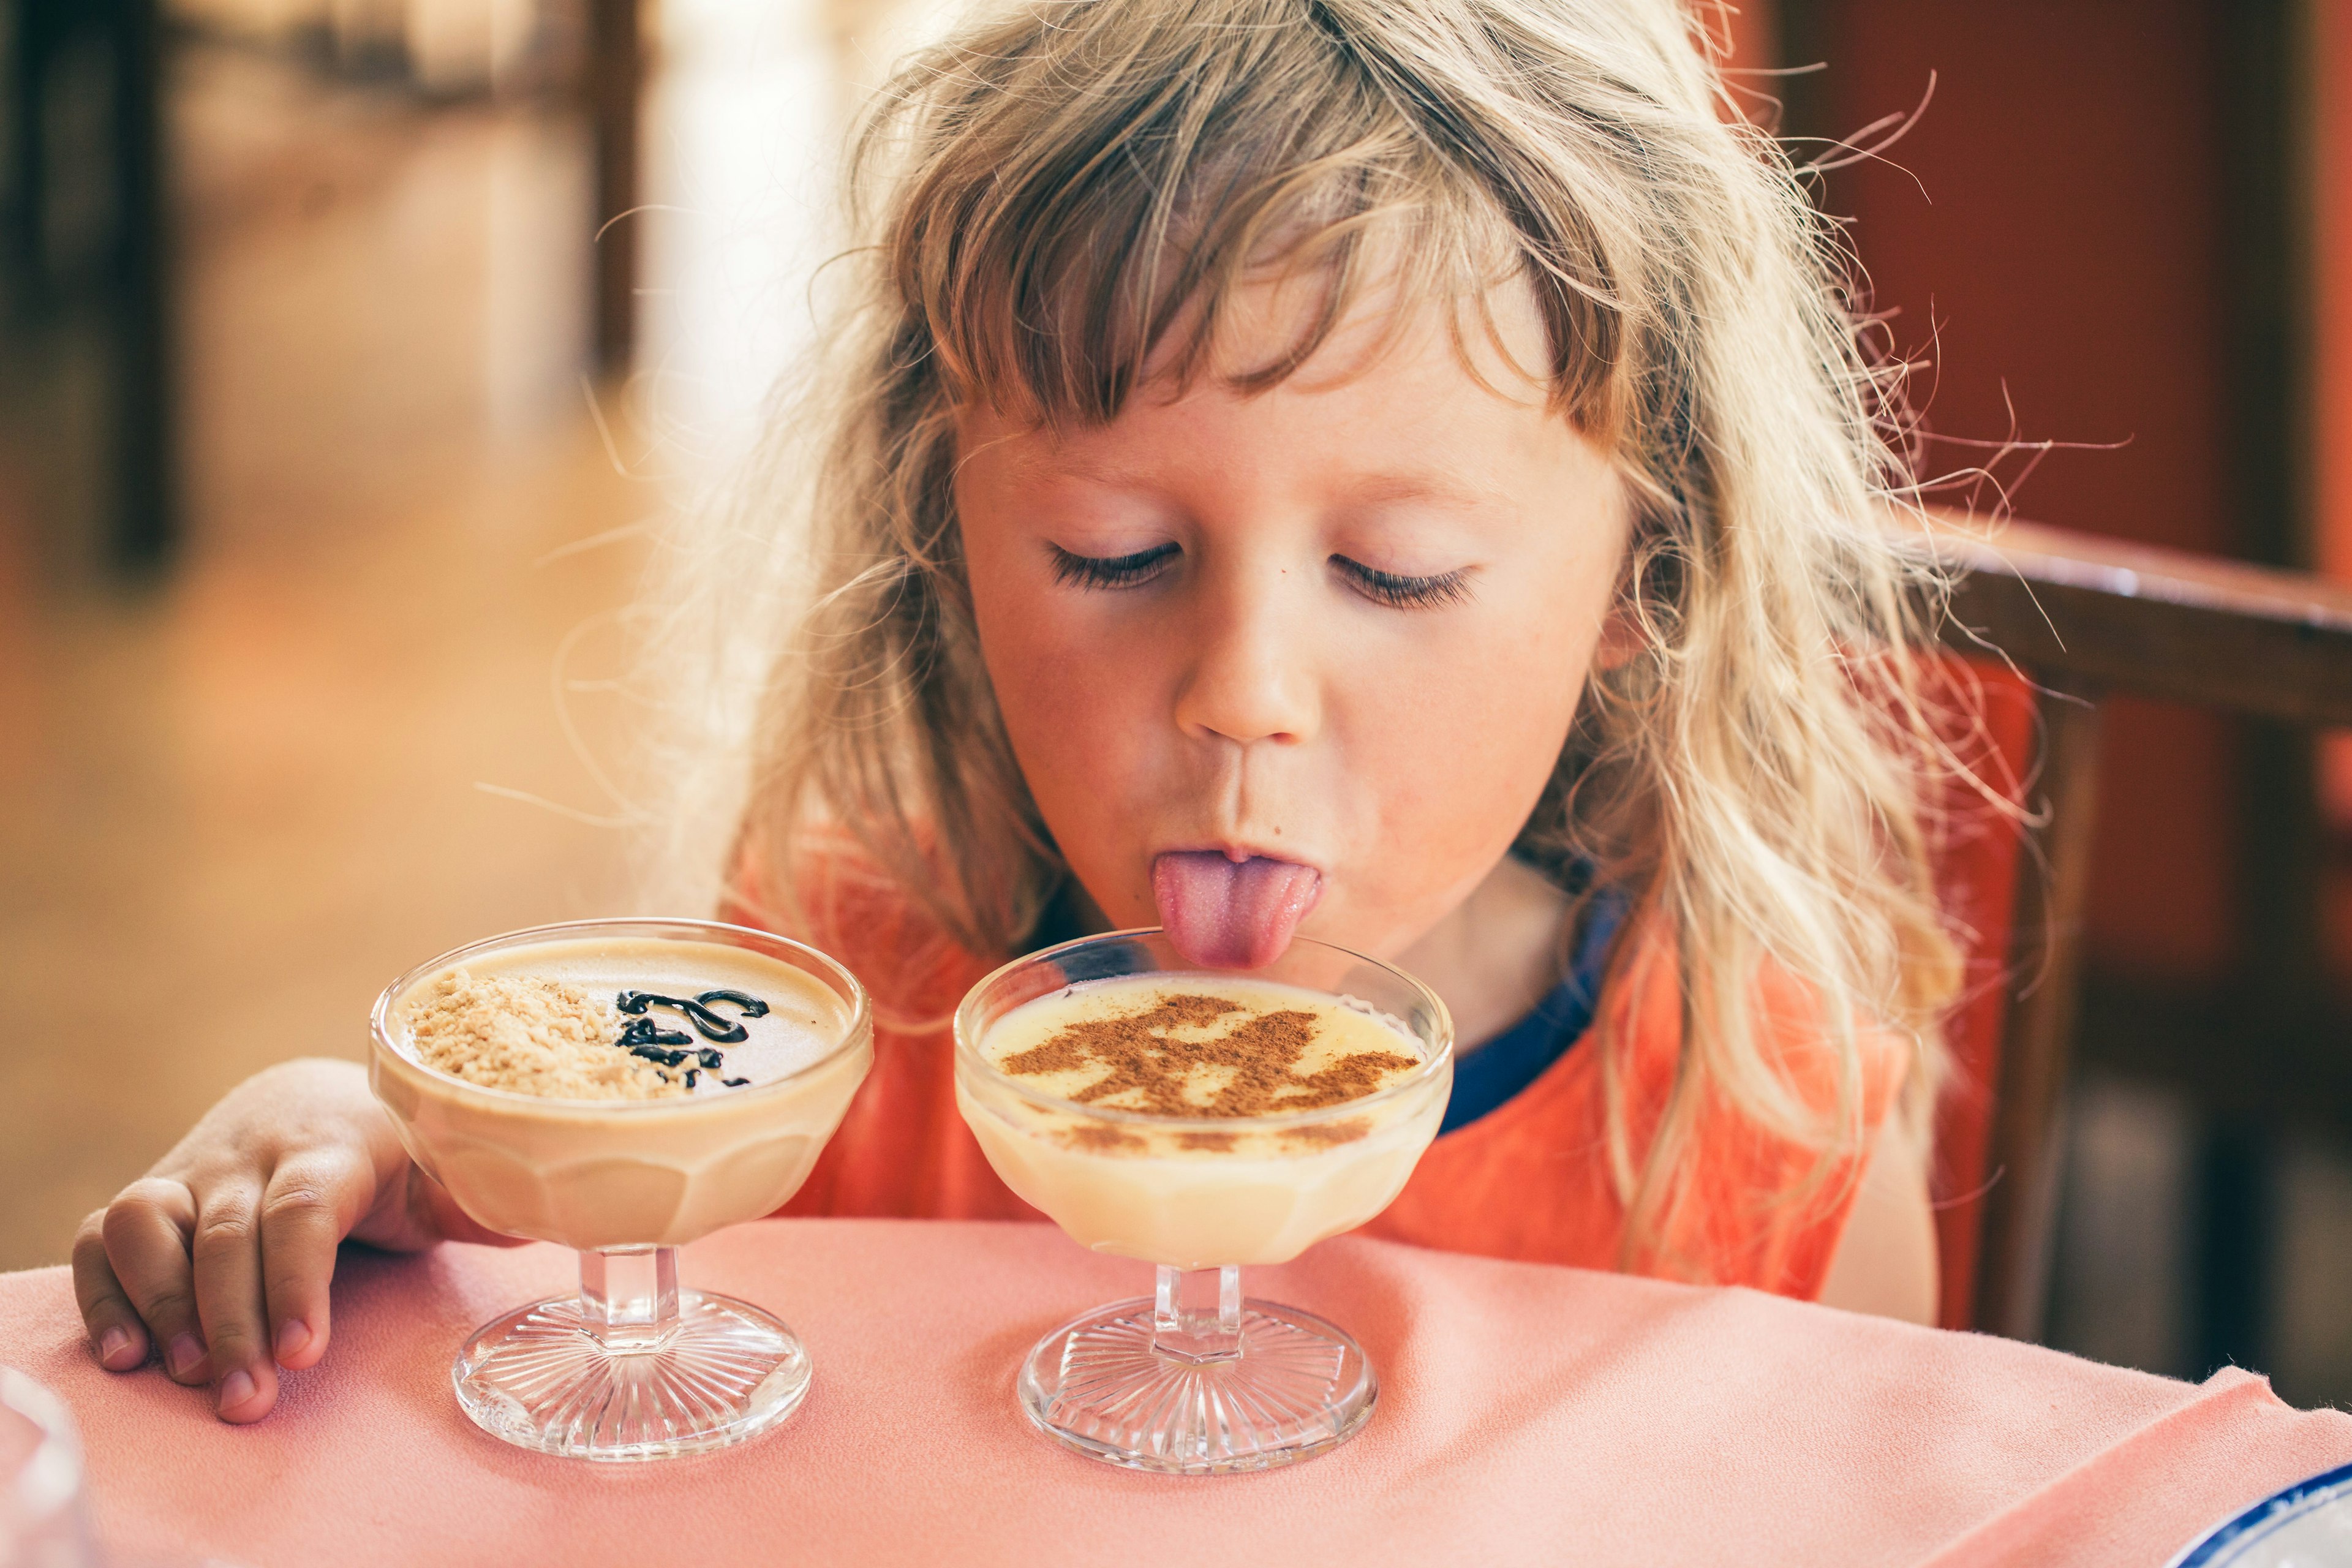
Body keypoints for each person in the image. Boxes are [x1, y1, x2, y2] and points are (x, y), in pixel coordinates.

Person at [72, 0, 1972, 1423]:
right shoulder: (844, 1007)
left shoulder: (1762, 1142)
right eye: (1115, 552)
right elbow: (577, 1279)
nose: (1242, 691)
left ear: (1647, 582)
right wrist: (360, 1156)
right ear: (945, 535)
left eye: (1391, 574)